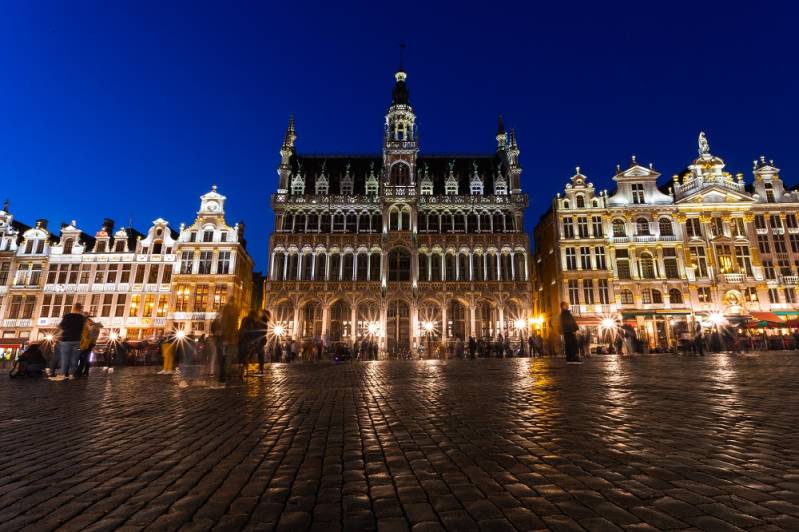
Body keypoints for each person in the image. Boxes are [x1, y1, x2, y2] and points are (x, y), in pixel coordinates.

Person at [51, 303, 87, 381]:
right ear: (80, 309)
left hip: (66, 340)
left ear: (73, 308)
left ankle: (63, 374)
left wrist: (57, 334)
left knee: (65, 358)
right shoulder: (82, 318)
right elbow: (85, 328)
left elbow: (60, 327)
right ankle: (71, 374)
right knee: (75, 358)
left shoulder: (67, 316)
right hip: (77, 340)